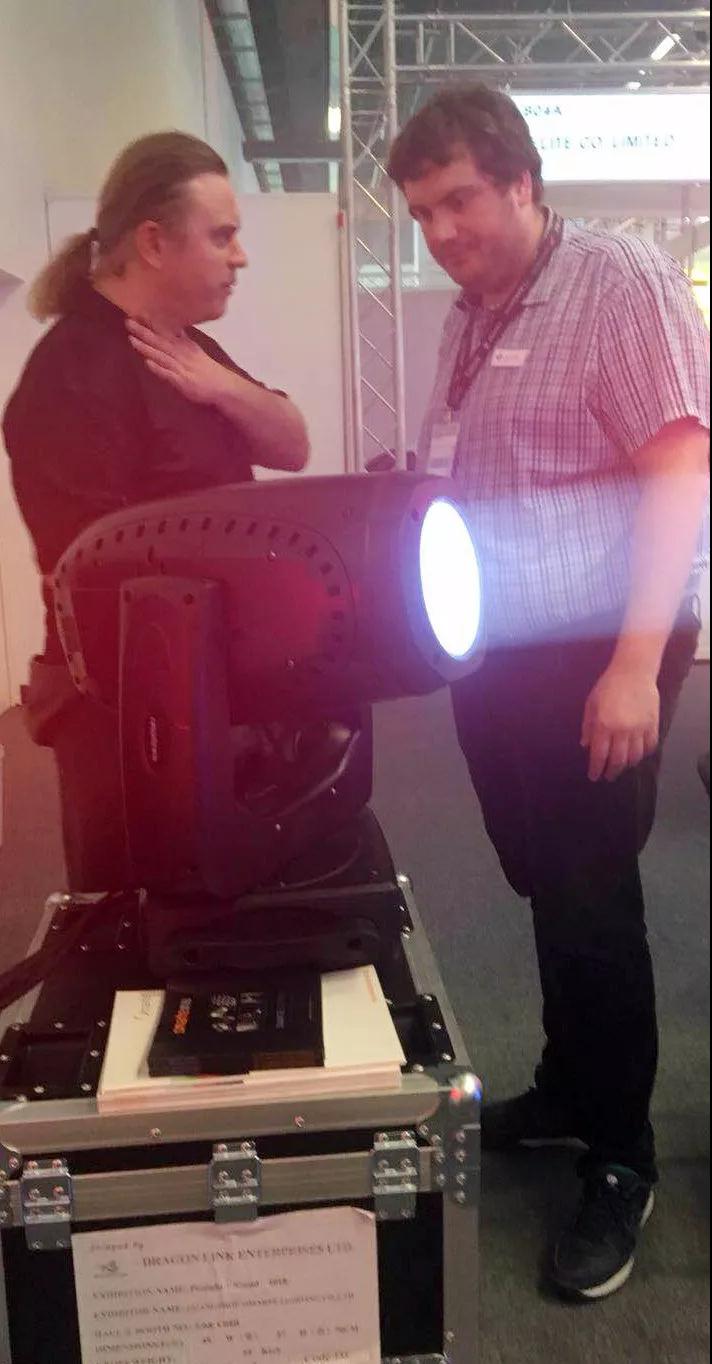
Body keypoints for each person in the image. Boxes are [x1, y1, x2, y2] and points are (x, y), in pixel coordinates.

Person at [387, 85, 710, 1300]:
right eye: (422, 213)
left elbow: (680, 464)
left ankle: (622, 1156)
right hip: (501, 654)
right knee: (539, 878)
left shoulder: (614, 279)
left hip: (596, 649)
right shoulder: (474, 311)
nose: (442, 231)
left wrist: (632, 663)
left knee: (590, 894)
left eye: (459, 199)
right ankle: (572, 1082)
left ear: (521, 180)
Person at [3, 131, 309, 891]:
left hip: (215, 691)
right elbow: (91, 583)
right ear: (152, 242)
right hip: (128, 718)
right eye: (222, 236)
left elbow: (293, 444)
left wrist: (221, 387)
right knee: (144, 925)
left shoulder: (186, 349)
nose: (240, 257)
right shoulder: (71, 376)